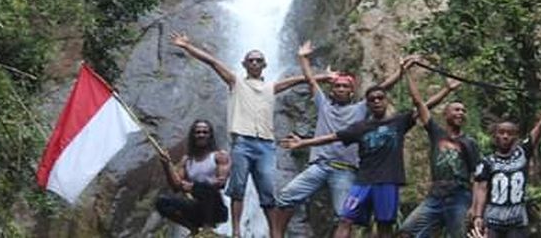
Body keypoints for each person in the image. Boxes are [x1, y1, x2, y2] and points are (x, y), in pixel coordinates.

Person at [170, 32, 329, 237]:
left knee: (267, 191)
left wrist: (324, 77)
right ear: (244, 64)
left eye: (259, 60)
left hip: (265, 144)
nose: (255, 63)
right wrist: (187, 46)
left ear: (264, 65)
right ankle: (236, 233)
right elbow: (212, 61)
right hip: (242, 142)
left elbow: (297, 80)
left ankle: (274, 234)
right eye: (251, 60)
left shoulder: (271, 87)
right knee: (238, 188)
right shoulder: (236, 82)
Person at [271, 41, 404, 238]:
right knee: (285, 198)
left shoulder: (360, 109)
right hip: (319, 165)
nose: (340, 88)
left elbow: (383, 88)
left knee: (345, 216)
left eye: (345, 86)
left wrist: (401, 72)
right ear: (332, 90)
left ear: (351, 91)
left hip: (345, 169)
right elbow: (311, 81)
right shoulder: (324, 105)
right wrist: (302, 58)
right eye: (337, 86)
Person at [281, 67, 433, 238]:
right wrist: (304, 143)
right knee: (345, 217)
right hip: (356, 177)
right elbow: (334, 136)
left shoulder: (394, 122)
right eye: (337, 86)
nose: (376, 101)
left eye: (380, 98)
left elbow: (420, 107)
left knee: (382, 224)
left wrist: (403, 72)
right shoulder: (358, 126)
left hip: (371, 176)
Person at [399, 57, 480, 238]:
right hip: (435, 196)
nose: (460, 113)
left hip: (459, 196)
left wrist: (475, 208)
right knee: (407, 230)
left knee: (458, 235)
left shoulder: (469, 142)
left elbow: (477, 177)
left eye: (463, 111)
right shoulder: (437, 133)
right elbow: (419, 103)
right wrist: (406, 73)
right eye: (456, 109)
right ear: (446, 114)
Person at [470, 89, 541, 238]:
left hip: (517, 223)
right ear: (495, 136)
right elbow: (481, 189)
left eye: (509, 133)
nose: (505, 136)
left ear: (515, 136)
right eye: (501, 132)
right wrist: (478, 216)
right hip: (493, 221)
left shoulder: (522, 153)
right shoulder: (487, 162)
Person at [156, 119, 231, 233]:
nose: (201, 135)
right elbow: (176, 186)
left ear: (210, 135)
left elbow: (221, 183)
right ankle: (192, 228)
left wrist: (193, 187)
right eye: (198, 132)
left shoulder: (219, 156)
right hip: (196, 207)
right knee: (162, 202)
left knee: (206, 187)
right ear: (193, 135)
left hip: (216, 209)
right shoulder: (187, 160)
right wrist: (167, 165)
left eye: (205, 132)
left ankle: (208, 228)